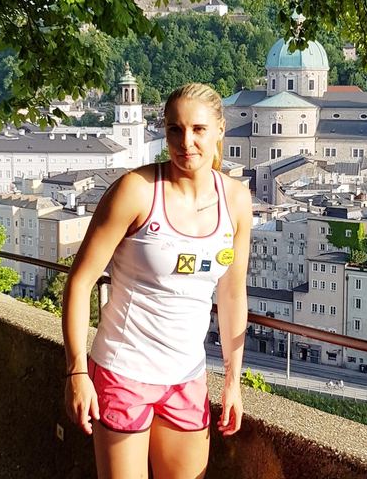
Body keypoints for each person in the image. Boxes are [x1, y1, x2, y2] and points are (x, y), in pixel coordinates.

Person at [61, 83, 251, 479]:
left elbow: (232, 295)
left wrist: (233, 381)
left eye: (198, 129)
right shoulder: (137, 191)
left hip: (187, 377)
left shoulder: (235, 200)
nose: (186, 143)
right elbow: (80, 283)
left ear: (220, 129)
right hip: (122, 370)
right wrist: (77, 371)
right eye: (174, 130)